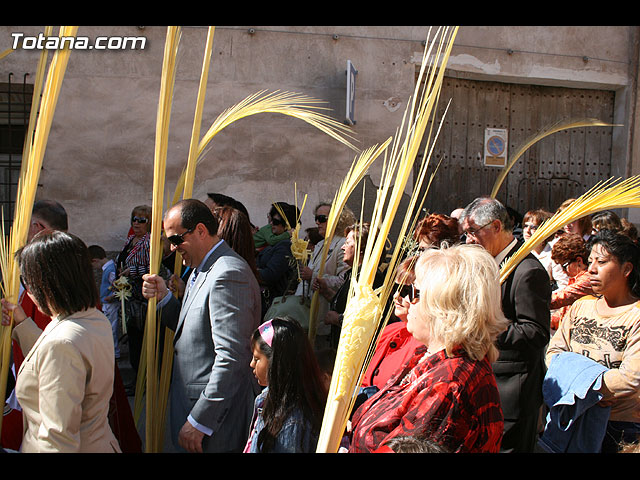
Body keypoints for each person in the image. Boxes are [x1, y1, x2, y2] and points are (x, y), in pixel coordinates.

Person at [349, 244, 508, 453]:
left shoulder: (448, 385)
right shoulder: (426, 357)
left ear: (442, 306)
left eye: (412, 292)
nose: (404, 300)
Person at [141, 199, 261, 453]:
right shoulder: (201, 269)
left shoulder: (228, 274)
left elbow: (233, 356)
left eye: (176, 240)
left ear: (200, 231)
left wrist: (201, 420)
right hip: (194, 407)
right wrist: (164, 299)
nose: (173, 249)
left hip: (216, 420)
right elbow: (193, 330)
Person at [1, 231, 121, 452]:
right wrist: (21, 322)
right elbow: (55, 358)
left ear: (43, 284)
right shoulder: (93, 318)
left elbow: (56, 440)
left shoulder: (63, 343)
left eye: (26, 281)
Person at [459, 196, 551, 453]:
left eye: (472, 232)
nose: (468, 240)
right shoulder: (487, 263)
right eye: (465, 234)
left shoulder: (527, 270)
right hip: (484, 382)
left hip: (511, 390)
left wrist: (481, 328)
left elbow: (535, 333)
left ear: (497, 226)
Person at [546, 230, 640, 452]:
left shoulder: (635, 315)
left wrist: (579, 388)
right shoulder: (582, 306)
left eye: (602, 262)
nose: (592, 269)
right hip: (572, 415)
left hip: (619, 427)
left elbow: (630, 379)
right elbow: (554, 354)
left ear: (627, 269)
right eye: (590, 261)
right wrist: (585, 392)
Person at [244, 317, 328, 453]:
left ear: (276, 362)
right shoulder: (266, 398)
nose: (251, 364)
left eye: (257, 358)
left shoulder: (293, 421)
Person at [313, 222, 384, 349]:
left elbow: (367, 318)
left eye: (347, 243)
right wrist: (326, 291)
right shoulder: (353, 274)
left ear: (361, 248)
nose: (342, 247)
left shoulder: (369, 278)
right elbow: (345, 303)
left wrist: (337, 319)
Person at [359, 256, 423, 392]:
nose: (396, 296)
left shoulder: (425, 344)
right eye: (395, 288)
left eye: (406, 291)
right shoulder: (389, 331)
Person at [299, 201, 354, 349]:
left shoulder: (342, 244)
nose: (317, 222)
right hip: (311, 312)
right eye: (316, 218)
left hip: (327, 314)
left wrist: (313, 275)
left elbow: (344, 280)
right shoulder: (320, 244)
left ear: (337, 219)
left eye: (322, 218)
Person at [116, 205, 151, 375]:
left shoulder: (150, 241)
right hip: (128, 297)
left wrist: (133, 271)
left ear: (149, 222)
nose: (136, 223)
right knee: (130, 338)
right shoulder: (130, 240)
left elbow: (155, 269)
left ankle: (142, 378)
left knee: (139, 338)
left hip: (140, 297)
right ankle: (136, 375)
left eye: (141, 220)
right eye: (134, 219)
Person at [256, 203, 299, 316]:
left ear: (286, 226)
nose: (271, 224)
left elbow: (270, 275)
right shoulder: (276, 243)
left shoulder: (285, 246)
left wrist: (251, 271)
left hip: (272, 302)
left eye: (275, 222)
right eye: (271, 220)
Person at [549, 233, 594, 331]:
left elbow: (561, 298)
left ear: (579, 261)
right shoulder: (575, 279)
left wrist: (532, 301)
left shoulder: (588, 279)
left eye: (564, 266)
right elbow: (563, 313)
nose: (563, 271)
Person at [522, 208, 568, 290]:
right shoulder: (520, 252)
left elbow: (563, 285)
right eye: (525, 226)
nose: (527, 231)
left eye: (533, 227)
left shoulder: (553, 254)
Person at [89, 245, 120, 359]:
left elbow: (117, 285)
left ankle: (114, 352)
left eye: (93, 265)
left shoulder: (110, 269)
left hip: (110, 303)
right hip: (108, 302)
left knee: (111, 328)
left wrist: (111, 296)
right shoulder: (110, 267)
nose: (94, 267)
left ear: (95, 260)